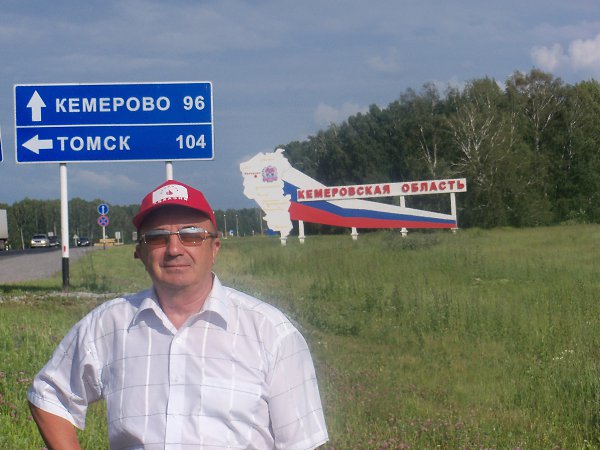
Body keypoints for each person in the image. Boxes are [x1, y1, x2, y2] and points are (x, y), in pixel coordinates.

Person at [28, 179, 328, 449]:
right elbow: (50, 394)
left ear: (215, 247)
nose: (174, 248)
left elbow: (300, 442)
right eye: (157, 237)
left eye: (192, 235)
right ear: (139, 252)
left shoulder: (270, 332)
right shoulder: (108, 325)